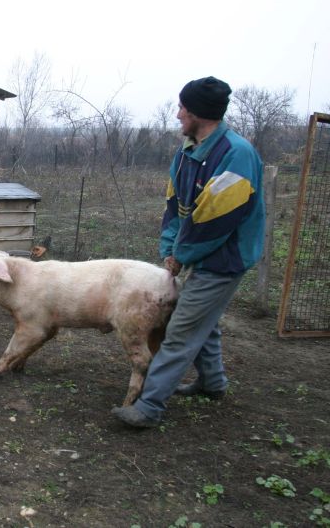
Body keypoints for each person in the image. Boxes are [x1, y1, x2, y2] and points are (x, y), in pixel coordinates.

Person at [112, 76, 265, 428]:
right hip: (196, 251)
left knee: (181, 331)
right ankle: (213, 383)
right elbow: (175, 204)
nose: (178, 113)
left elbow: (215, 220)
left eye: (183, 108)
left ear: (200, 113)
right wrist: (169, 247)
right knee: (200, 320)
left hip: (224, 259)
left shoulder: (236, 155)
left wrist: (181, 254)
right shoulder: (189, 152)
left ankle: (148, 408)